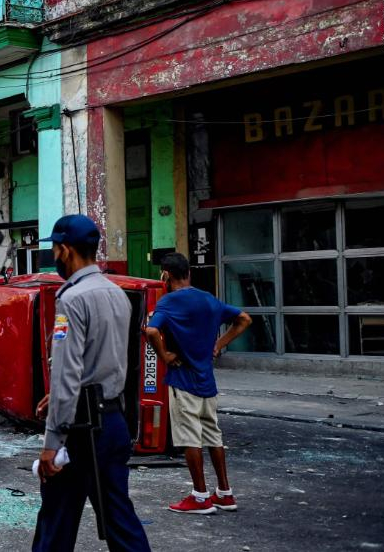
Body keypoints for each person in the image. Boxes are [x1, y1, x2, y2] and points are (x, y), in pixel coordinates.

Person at [31, 214, 152, 552]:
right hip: (113, 422)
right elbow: (106, 361)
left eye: (54, 250)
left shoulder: (72, 299)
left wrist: (51, 444)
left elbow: (68, 374)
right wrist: (58, 396)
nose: (54, 257)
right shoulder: (116, 293)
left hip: (81, 430)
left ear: (65, 250)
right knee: (119, 519)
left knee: (55, 520)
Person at [144, 252, 252, 515]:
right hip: (207, 382)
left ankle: (200, 496)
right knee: (214, 437)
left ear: (165, 275)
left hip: (183, 382)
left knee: (189, 438)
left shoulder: (168, 302)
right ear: (189, 273)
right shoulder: (209, 300)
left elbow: (151, 330)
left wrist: (165, 355)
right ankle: (225, 493)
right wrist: (219, 344)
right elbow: (244, 319)